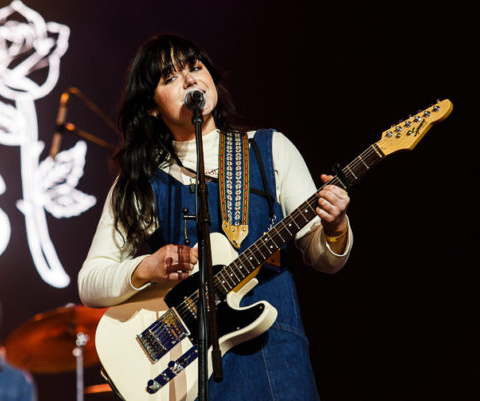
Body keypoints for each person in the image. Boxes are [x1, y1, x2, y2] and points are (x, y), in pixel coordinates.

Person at [78, 34, 352, 400]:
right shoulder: (140, 181)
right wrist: (145, 268)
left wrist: (335, 226)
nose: (190, 79)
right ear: (151, 107)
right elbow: (90, 282)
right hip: (188, 370)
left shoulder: (270, 149)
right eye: (170, 77)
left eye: (195, 66)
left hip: (274, 356)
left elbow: (323, 258)